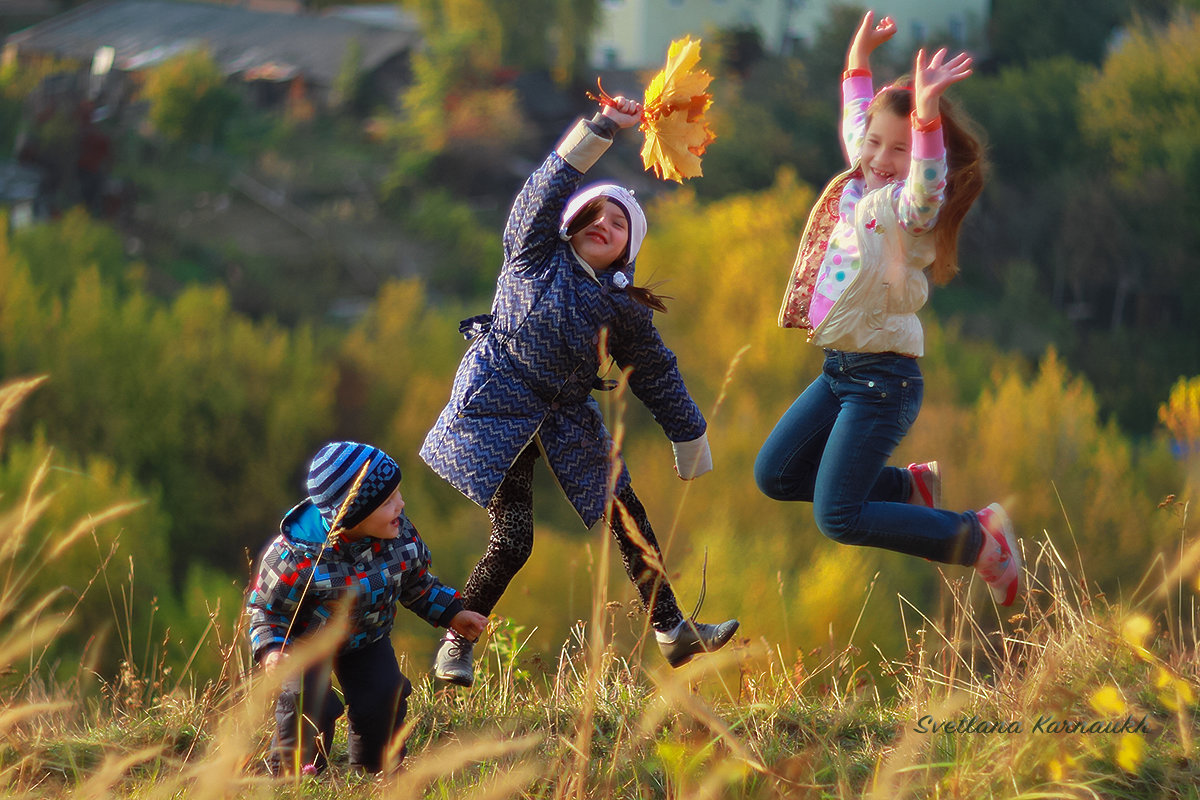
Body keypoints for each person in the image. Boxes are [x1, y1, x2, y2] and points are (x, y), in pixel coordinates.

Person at [420, 94, 739, 686]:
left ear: (629, 250)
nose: (604, 225)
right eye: (594, 214)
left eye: (619, 224)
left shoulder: (622, 308)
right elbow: (542, 191)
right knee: (514, 540)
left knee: (627, 512)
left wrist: (689, 434)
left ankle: (672, 629)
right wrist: (600, 130)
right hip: (498, 400)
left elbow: (659, 374)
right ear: (570, 226)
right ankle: (456, 642)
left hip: (566, 415)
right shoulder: (531, 256)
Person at [755, 12, 1023, 606]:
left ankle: (979, 538)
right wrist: (858, 57)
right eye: (876, 142)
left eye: (899, 149)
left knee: (840, 517)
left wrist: (925, 120)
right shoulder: (861, 174)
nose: (880, 156)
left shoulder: (910, 208)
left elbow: (926, 179)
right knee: (775, 475)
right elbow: (859, 120)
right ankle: (909, 488)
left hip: (882, 381)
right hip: (840, 370)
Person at [246, 441, 488, 775]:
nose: (400, 506)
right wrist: (272, 649)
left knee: (384, 695)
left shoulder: (399, 538)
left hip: (366, 637)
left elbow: (417, 584)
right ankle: (295, 773)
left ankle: (377, 768)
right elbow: (265, 610)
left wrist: (452, 612)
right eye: (388, 501)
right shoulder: (296, 558)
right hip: (304, 645)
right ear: (352, 513)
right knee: (308, 702)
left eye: (398, 494)